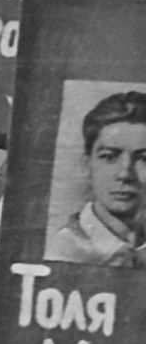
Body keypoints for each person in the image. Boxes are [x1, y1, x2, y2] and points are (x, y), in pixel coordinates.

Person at [46, 89, 146, 267]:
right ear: (87, 164)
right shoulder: (60, 251)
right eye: (109, 157)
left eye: (143, 159)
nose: (125, 174)